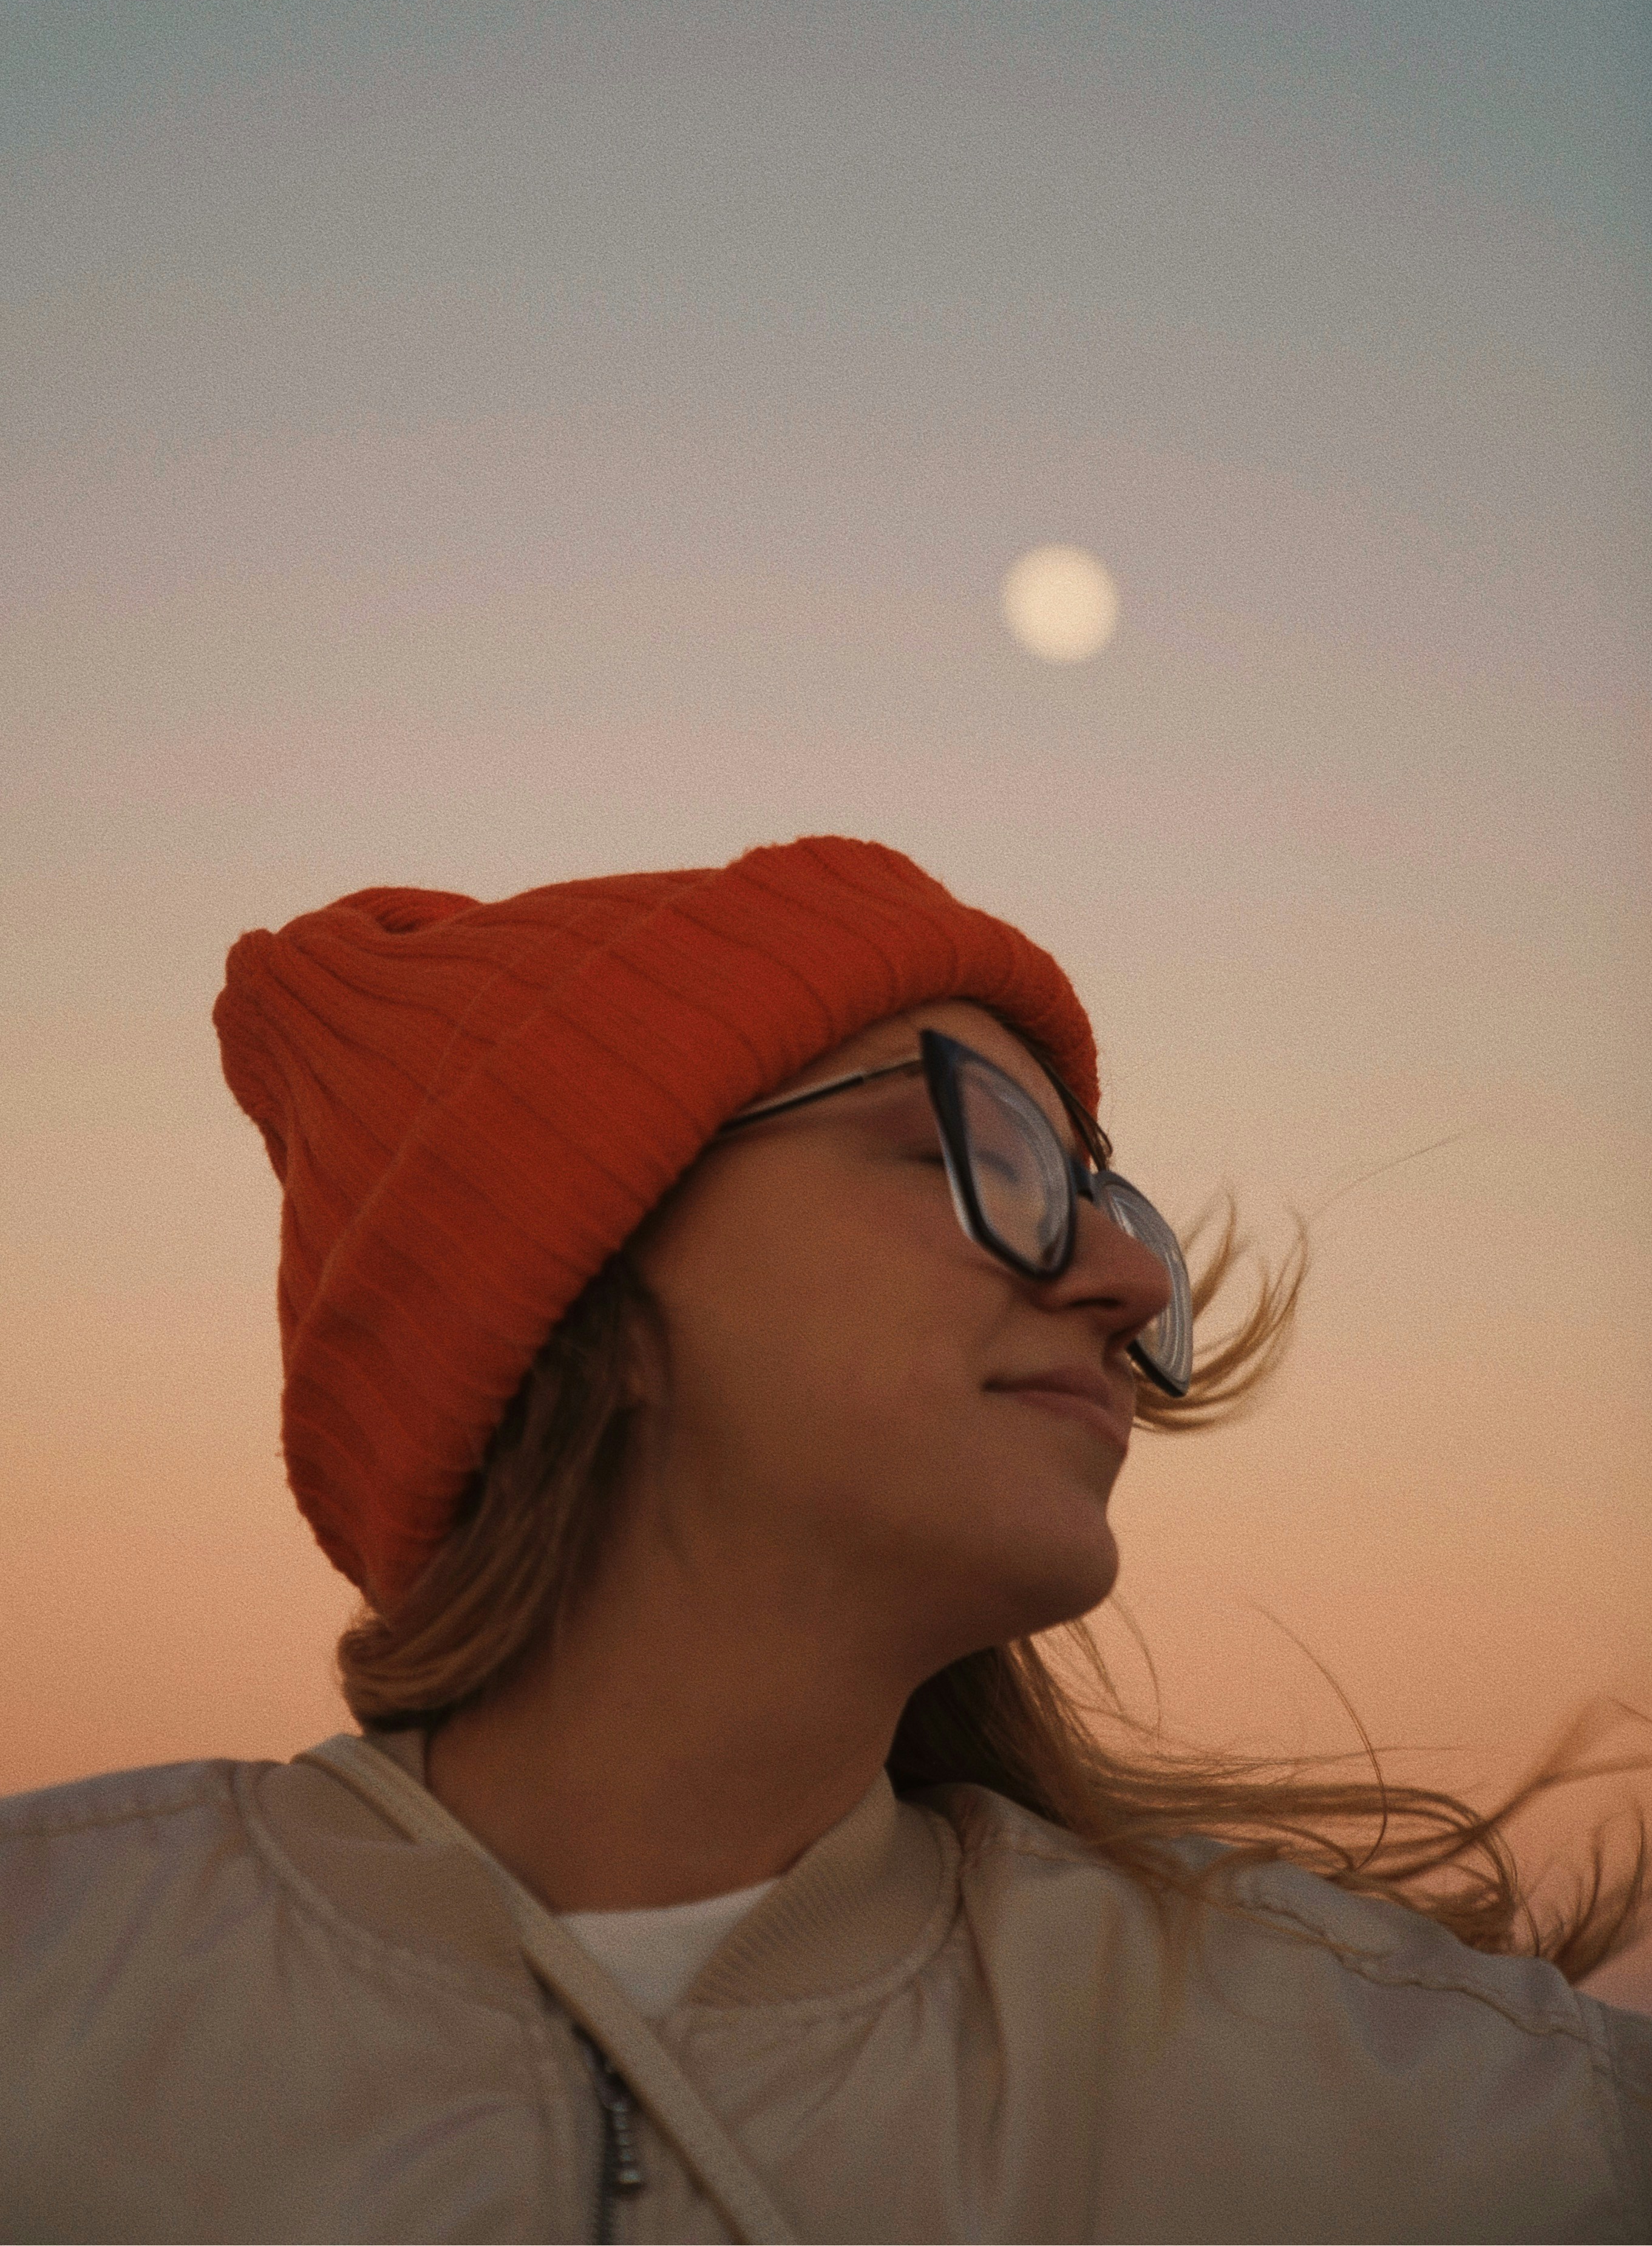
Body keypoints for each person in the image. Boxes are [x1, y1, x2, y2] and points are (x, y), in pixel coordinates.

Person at [2, 832, 1647, 2245]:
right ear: (581, 1288)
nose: (1129, 1280)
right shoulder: (50, 1995)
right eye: (983, 1155)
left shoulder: (1438, 2115)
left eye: (1103, 1200)